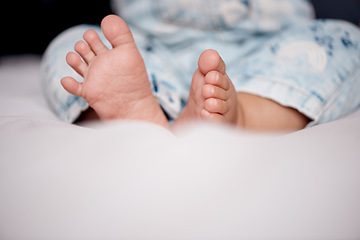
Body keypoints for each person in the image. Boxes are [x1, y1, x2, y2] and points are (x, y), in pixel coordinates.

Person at [41, 0, 360, 131]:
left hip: (270, 51)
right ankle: (139, 118)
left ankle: (241, 114)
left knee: (344, 40)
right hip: (144, 54)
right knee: (76, 42)